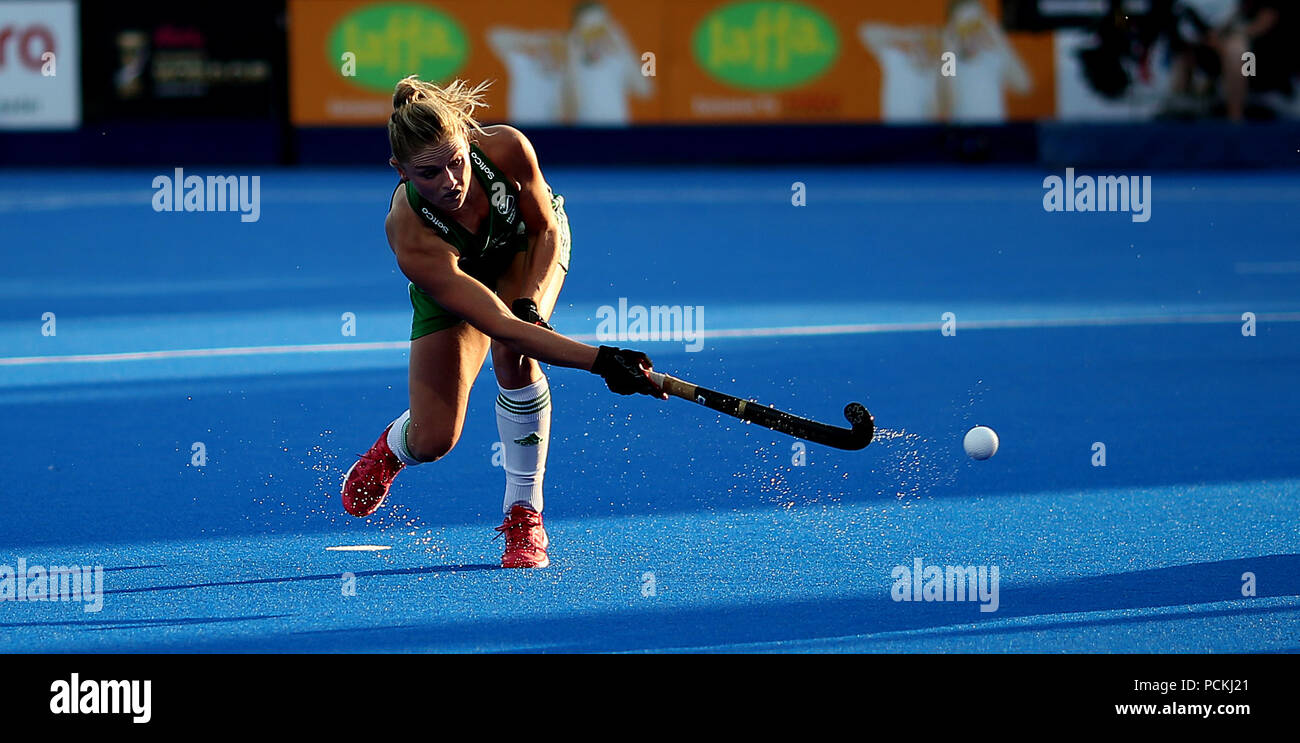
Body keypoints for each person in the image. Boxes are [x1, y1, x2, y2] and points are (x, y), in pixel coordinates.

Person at [341, 75, 666, 569]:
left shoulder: (507, 148)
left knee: (516, 356)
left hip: (526, 249)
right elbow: (498, 322)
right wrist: (604, 361)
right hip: (457, 282)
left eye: (456, 161)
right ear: (400, 172)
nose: (451, 181)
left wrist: (532, 302)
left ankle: (524, 515)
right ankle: (393, 448)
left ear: (467, 141)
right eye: (429, 173)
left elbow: (544, 228)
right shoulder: (411, 236)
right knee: (434, 440)